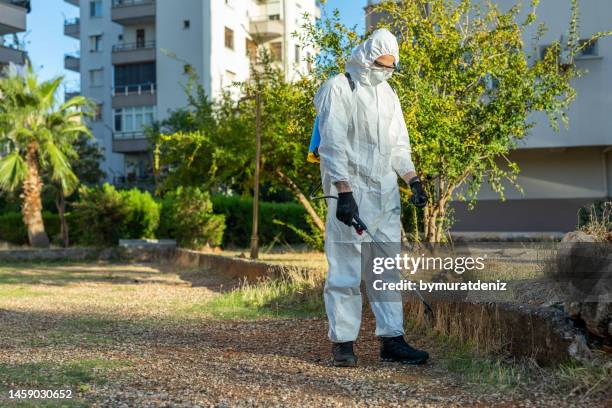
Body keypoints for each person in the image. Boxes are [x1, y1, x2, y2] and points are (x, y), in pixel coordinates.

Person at [314, 28, 429, 367]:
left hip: (384, 196)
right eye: (381, 65)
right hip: (348, 194)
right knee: (346, 270)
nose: (385, 71)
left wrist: (413, 180)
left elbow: (398, 146)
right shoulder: (338, 87)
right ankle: (344, 344)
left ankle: (392, 340)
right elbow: (332, 145)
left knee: (385, 269)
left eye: (391, 67)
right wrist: (343, 193)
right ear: (366, 59)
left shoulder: (389, 95)